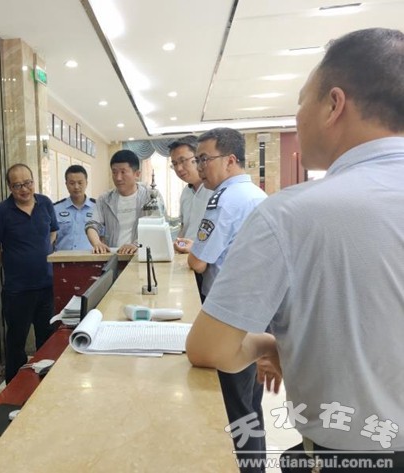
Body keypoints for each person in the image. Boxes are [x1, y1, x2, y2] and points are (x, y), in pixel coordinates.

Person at [186, 28, 404, 472]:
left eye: (301, 102)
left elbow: (209, 348)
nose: (297, 117)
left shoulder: (291, 213)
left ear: (334, 104)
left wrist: (271, 343)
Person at [187, 127, 268, 472]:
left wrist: (194, 252)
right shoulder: (255, 194)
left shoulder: (225, 199)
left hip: (231, 316)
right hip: (256, 312)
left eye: (204, 159)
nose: (199, 167)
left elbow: (198, 262)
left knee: (235, 407)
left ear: (230, 160)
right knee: (249, 404)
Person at [0, 164, 58, 383]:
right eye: (17, 185)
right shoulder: (1, 212)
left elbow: (53, 232)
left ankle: (46, 385)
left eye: (28, 183)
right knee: (16, 343)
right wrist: (11, 262)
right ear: (9, 187)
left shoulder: (45, 203)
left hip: (46, 286)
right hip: (17, 291)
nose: (24, 189)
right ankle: (14, 390)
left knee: (47, 340)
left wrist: (40, 253)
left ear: (34, 181)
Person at [85, 149, 164, 255]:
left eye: (123, 172)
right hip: (113, 257)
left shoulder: (151, 196)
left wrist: (136, 244)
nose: (118, 178)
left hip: (142, 256)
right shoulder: (105, 199)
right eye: (114, 172)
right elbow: (92, 225)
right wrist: (97, 243)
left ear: (137, 174)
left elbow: (157, 227)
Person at [168, 135, 214, 293]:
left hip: (208, 265)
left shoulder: (214, 191)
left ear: (198, 158)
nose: (179, 168)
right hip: (187, 261)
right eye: (174, 164)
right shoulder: (186, 193)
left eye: (183, 161)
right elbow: (184, 227)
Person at [53, 164, 95, 251]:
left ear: (86, 183)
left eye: (80, 183)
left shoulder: (97, 208)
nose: (76, 187)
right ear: (66, 184)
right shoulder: (55, 209)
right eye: (72, 183)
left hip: (90, 257)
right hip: (63, 258)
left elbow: (103, 237)